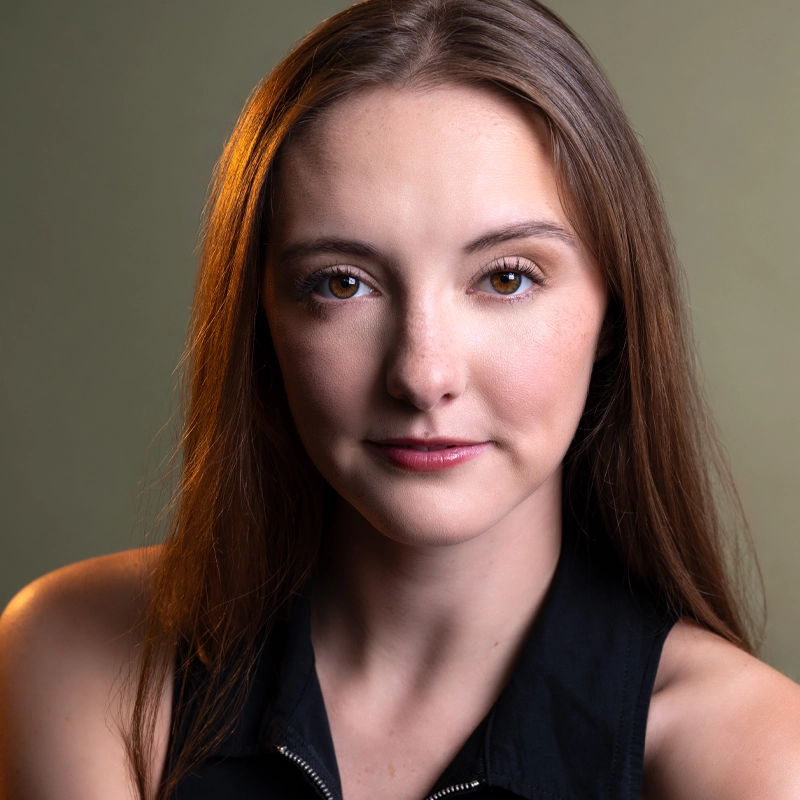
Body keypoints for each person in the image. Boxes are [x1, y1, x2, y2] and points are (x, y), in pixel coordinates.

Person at [1, 1, 799, 798]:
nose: (422, 374)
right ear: (261, 323)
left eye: (506, 277)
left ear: (612, 314)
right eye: (342, 283)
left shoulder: (753, 755)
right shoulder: (79, 656)